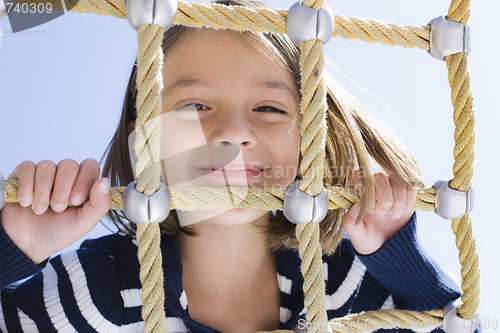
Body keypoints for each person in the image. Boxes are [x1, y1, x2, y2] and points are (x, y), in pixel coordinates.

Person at [0, 0, 461, 332]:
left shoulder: (338, 282)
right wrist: (12, 248)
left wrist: (401, 263)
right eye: (195, 104)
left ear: (309, 136)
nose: (232, 133)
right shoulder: (97, 293)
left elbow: (461, 327)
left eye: (269, 109)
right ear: (144, 136)